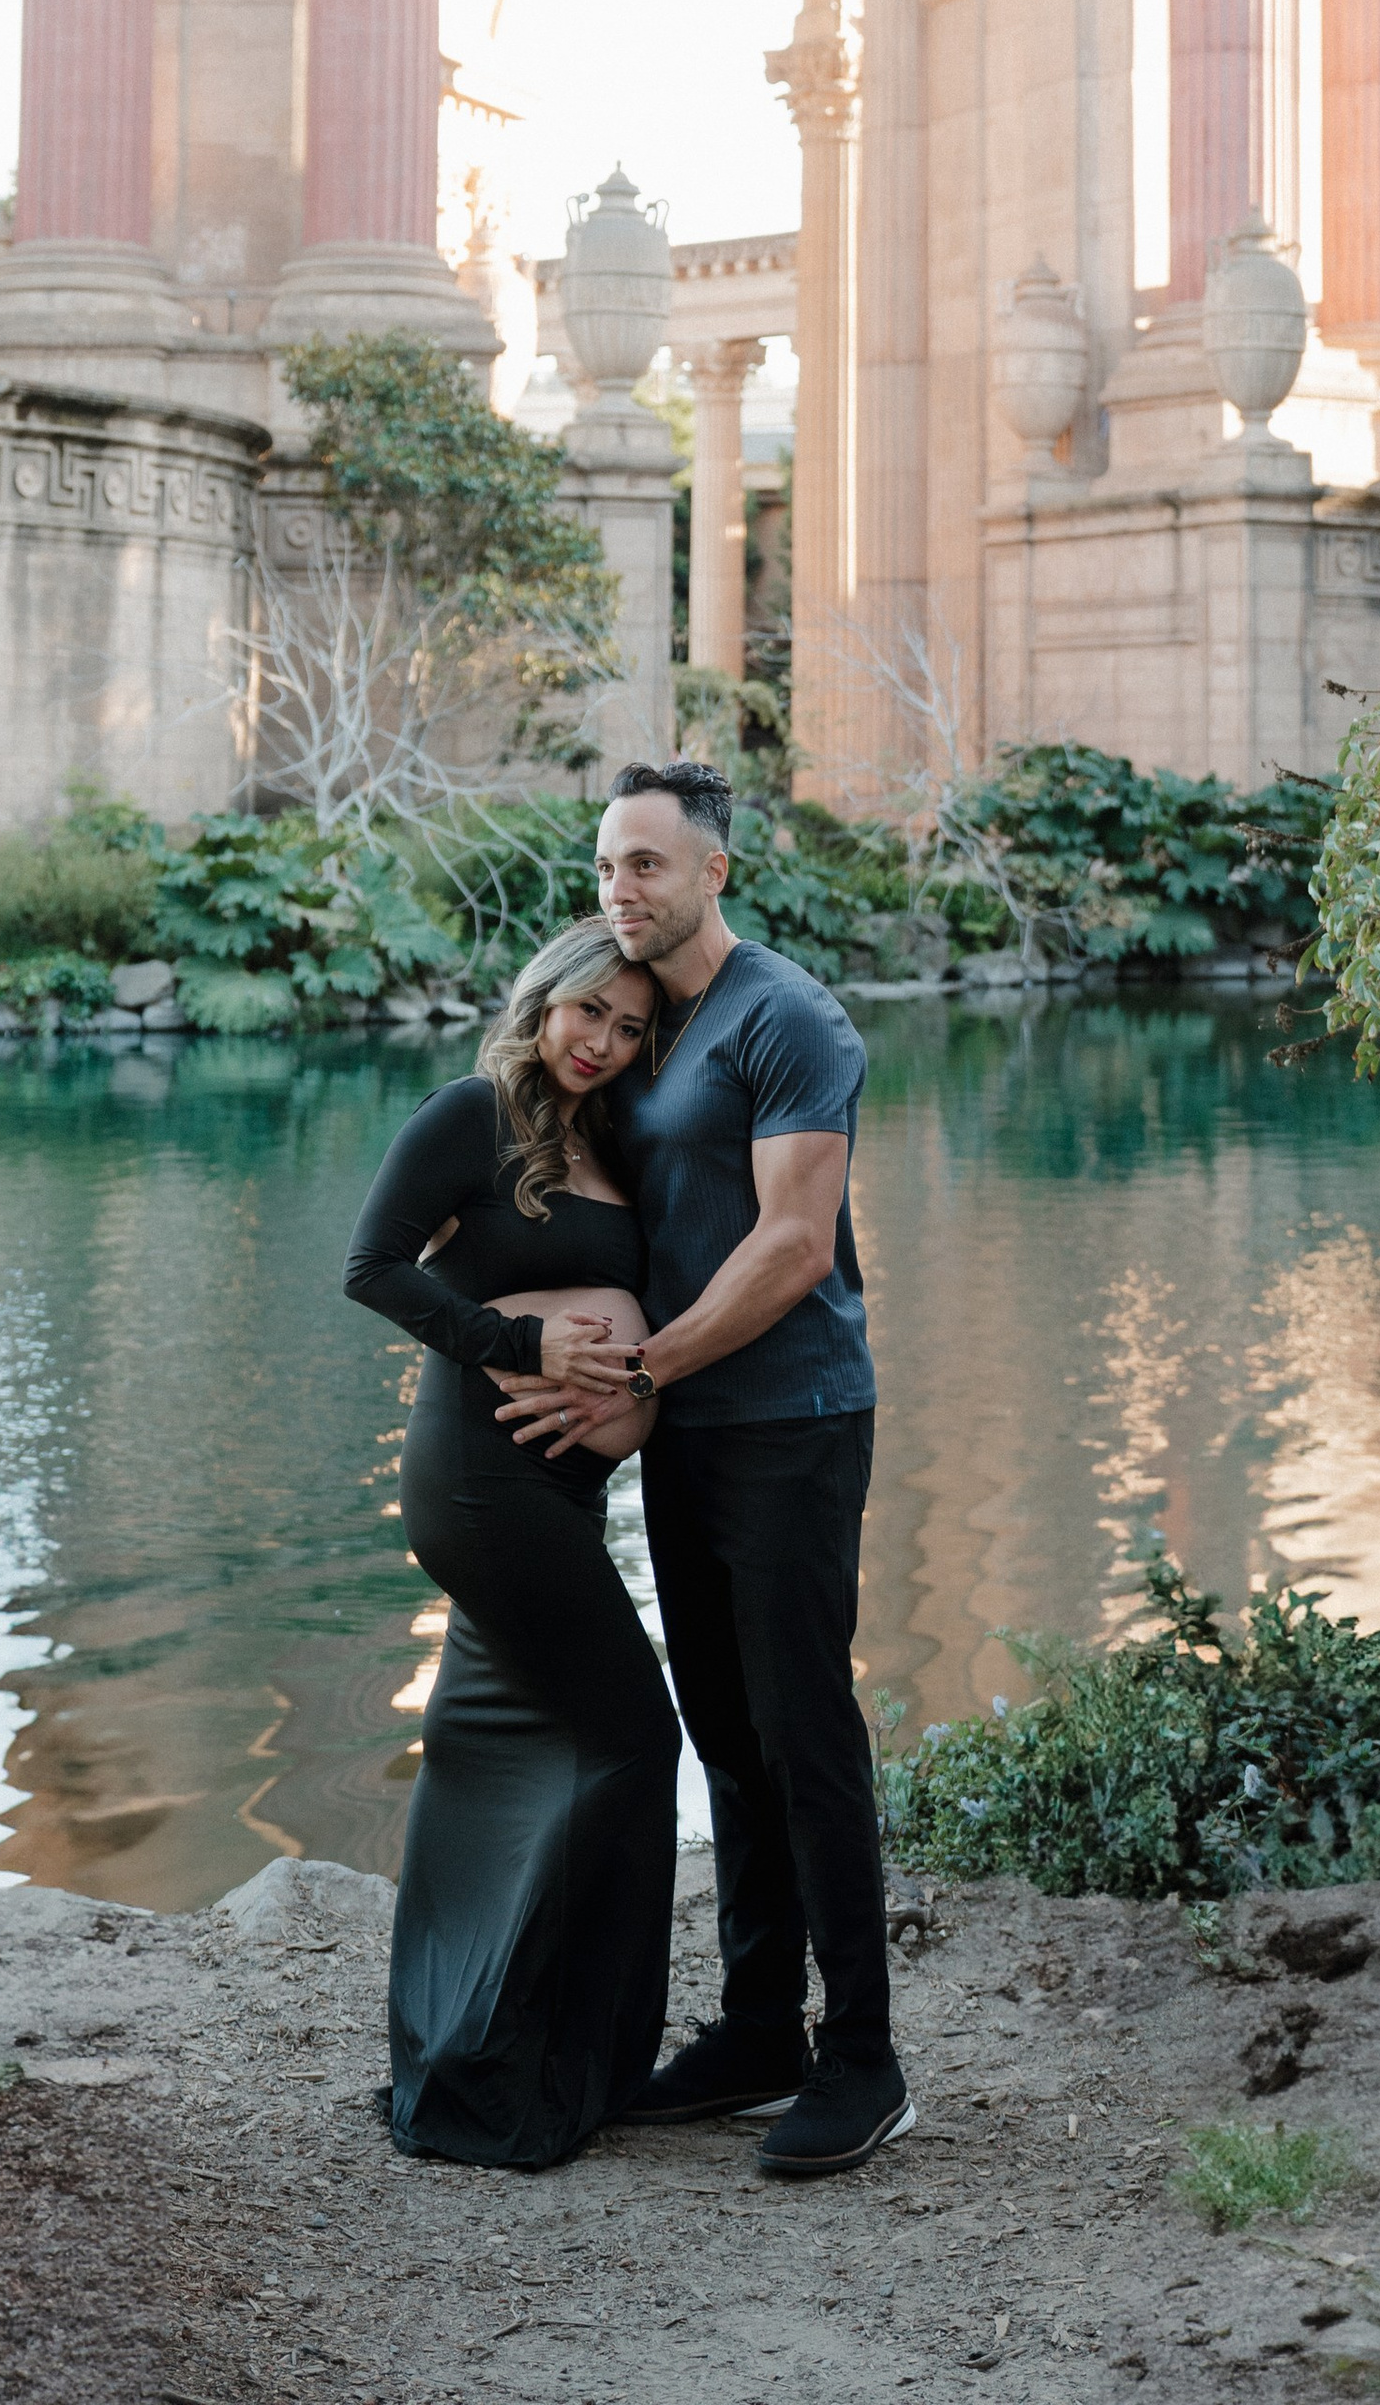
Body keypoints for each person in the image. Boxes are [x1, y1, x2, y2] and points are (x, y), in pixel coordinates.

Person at [494, 760, 911, 2179]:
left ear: (716, 874)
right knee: (727, 1732)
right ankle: (755, 2030)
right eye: (608, 865)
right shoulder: (632, 1027)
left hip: (790, 1422)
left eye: (650, 866)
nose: (621, 889)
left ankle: (862, 2056)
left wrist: (644, 1369)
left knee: (804, 1732)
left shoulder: (789, 1020)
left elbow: (795, 1246)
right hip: (686, 1431)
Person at [342, 920, 681, 2168]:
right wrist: (520, 1344)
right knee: (633, 1738)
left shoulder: (608, 1142)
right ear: (544, 1002)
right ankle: (562, 2057)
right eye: (589, 1012)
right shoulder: (469, 1114)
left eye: (631, 1027)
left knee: (487, 1752)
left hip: (559, 1494)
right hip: (480, 1481)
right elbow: (371, 1270)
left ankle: (467, 2057)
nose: (603, 1042)